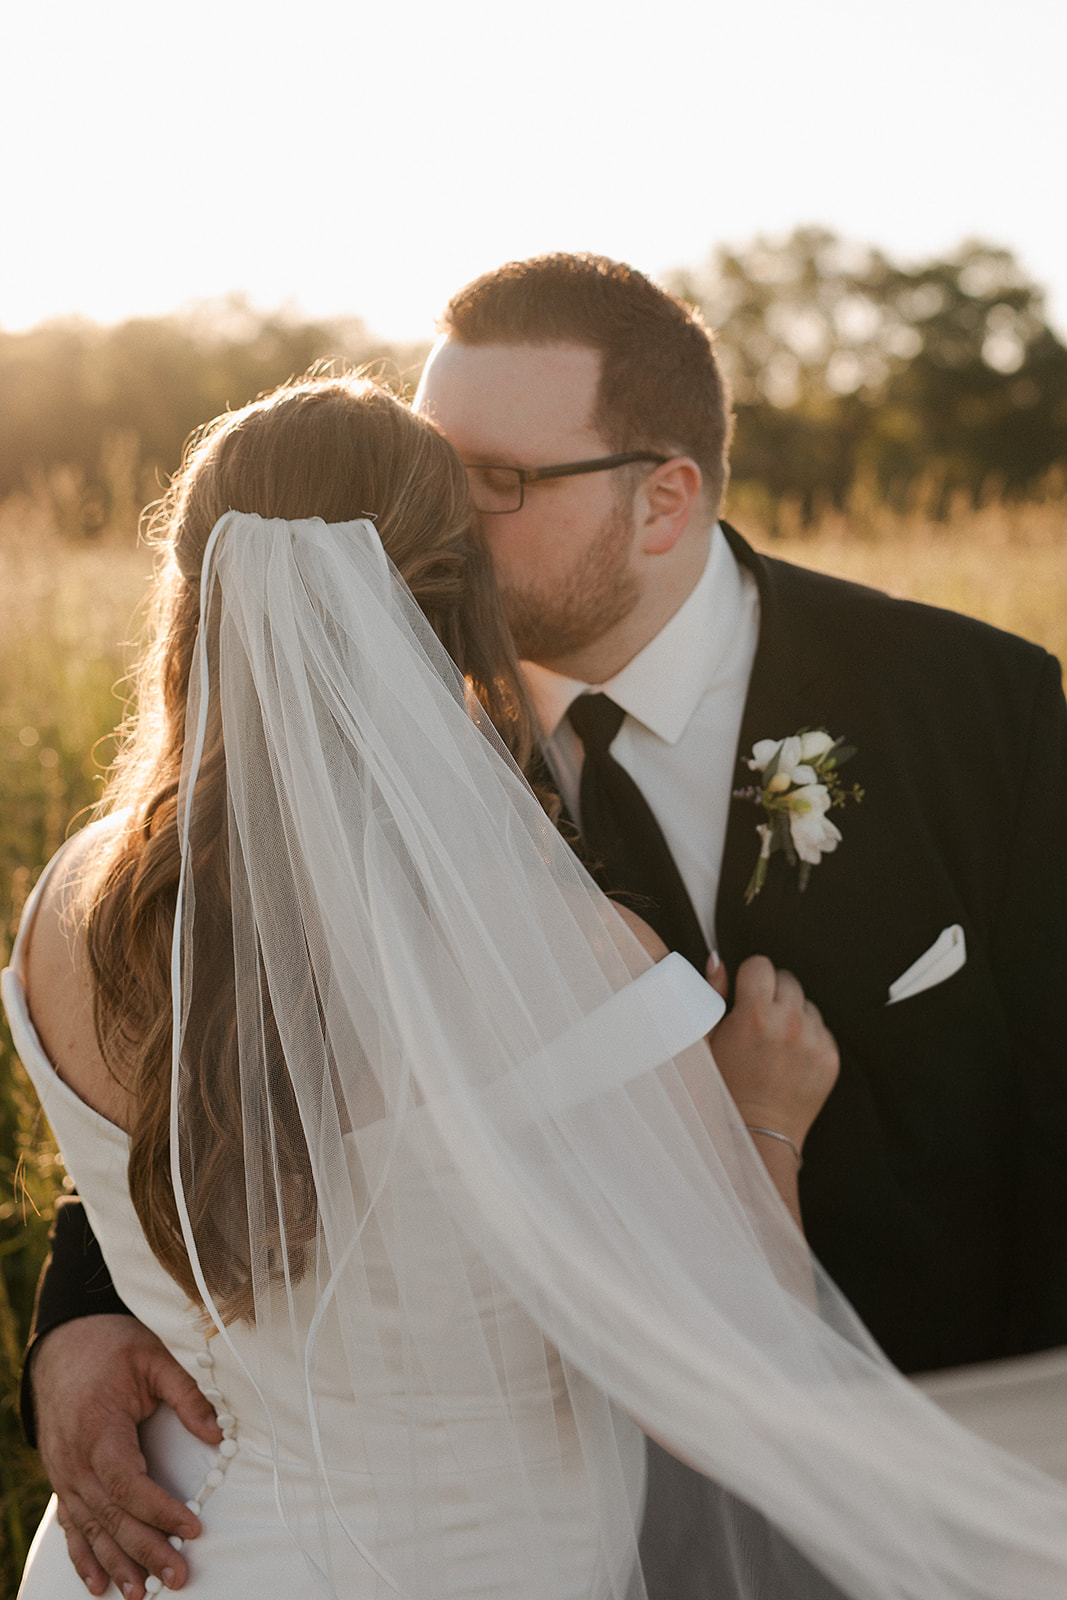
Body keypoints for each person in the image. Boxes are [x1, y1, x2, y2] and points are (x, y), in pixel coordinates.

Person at [18, 251, 1067, 1590]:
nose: (447, 508)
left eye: (497, 483)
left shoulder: (975, 709)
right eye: (435, 471)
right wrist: (77, 1323)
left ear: (663, 499)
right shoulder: (417, 810)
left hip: (907, 1484)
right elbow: (233, 1068)